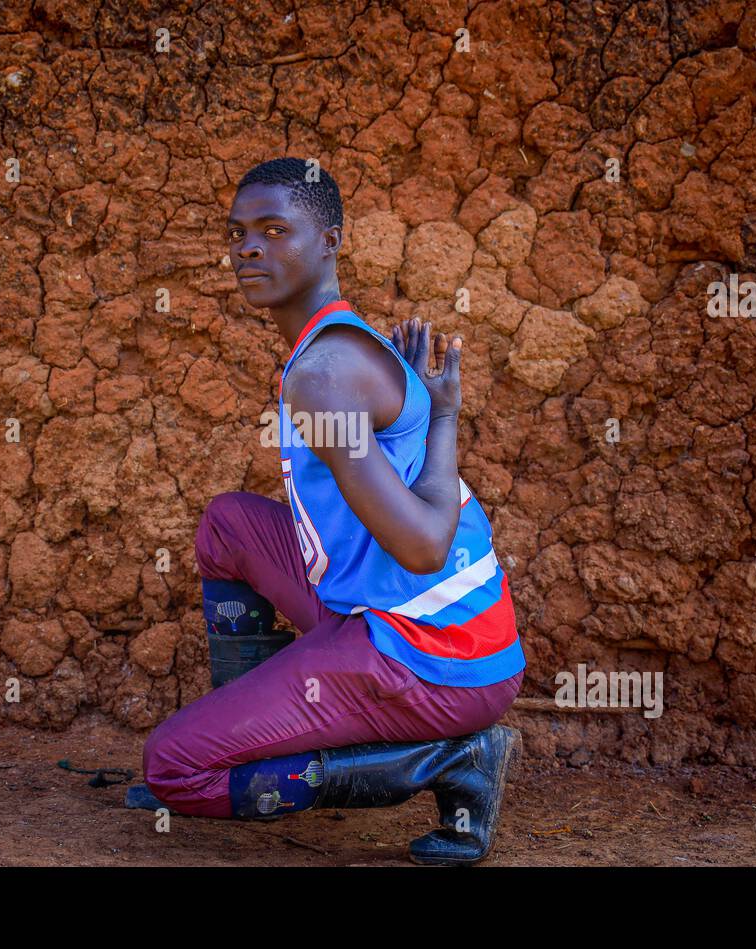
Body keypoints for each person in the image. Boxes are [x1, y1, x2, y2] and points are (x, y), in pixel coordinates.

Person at [126, 157, 526, 865]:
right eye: (239, 233)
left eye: (276, 229)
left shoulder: (323, 376)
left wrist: (442, 422)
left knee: (173, 769)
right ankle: (265, 718)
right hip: (413, 616)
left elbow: (428, 548)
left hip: (433, 655)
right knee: (228, 525)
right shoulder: (335, 344)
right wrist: (437, 416)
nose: (249, 248)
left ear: (331, 242)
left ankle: (453, 758)